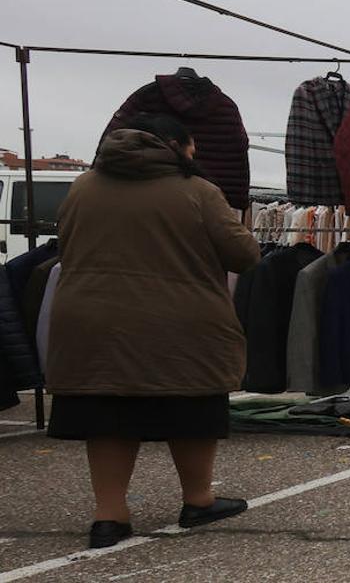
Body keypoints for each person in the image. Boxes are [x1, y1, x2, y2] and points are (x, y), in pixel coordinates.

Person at [46, 115, 261, 549]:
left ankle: (109, 516)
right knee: (191, 406)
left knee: (105, 413)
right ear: (177, 146)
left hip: (90, 318)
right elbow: (244, 255)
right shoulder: (198, 192)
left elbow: (65, 246)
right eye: (192, 147)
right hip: (179, 321)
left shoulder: (83, 187)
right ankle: (198, 500)